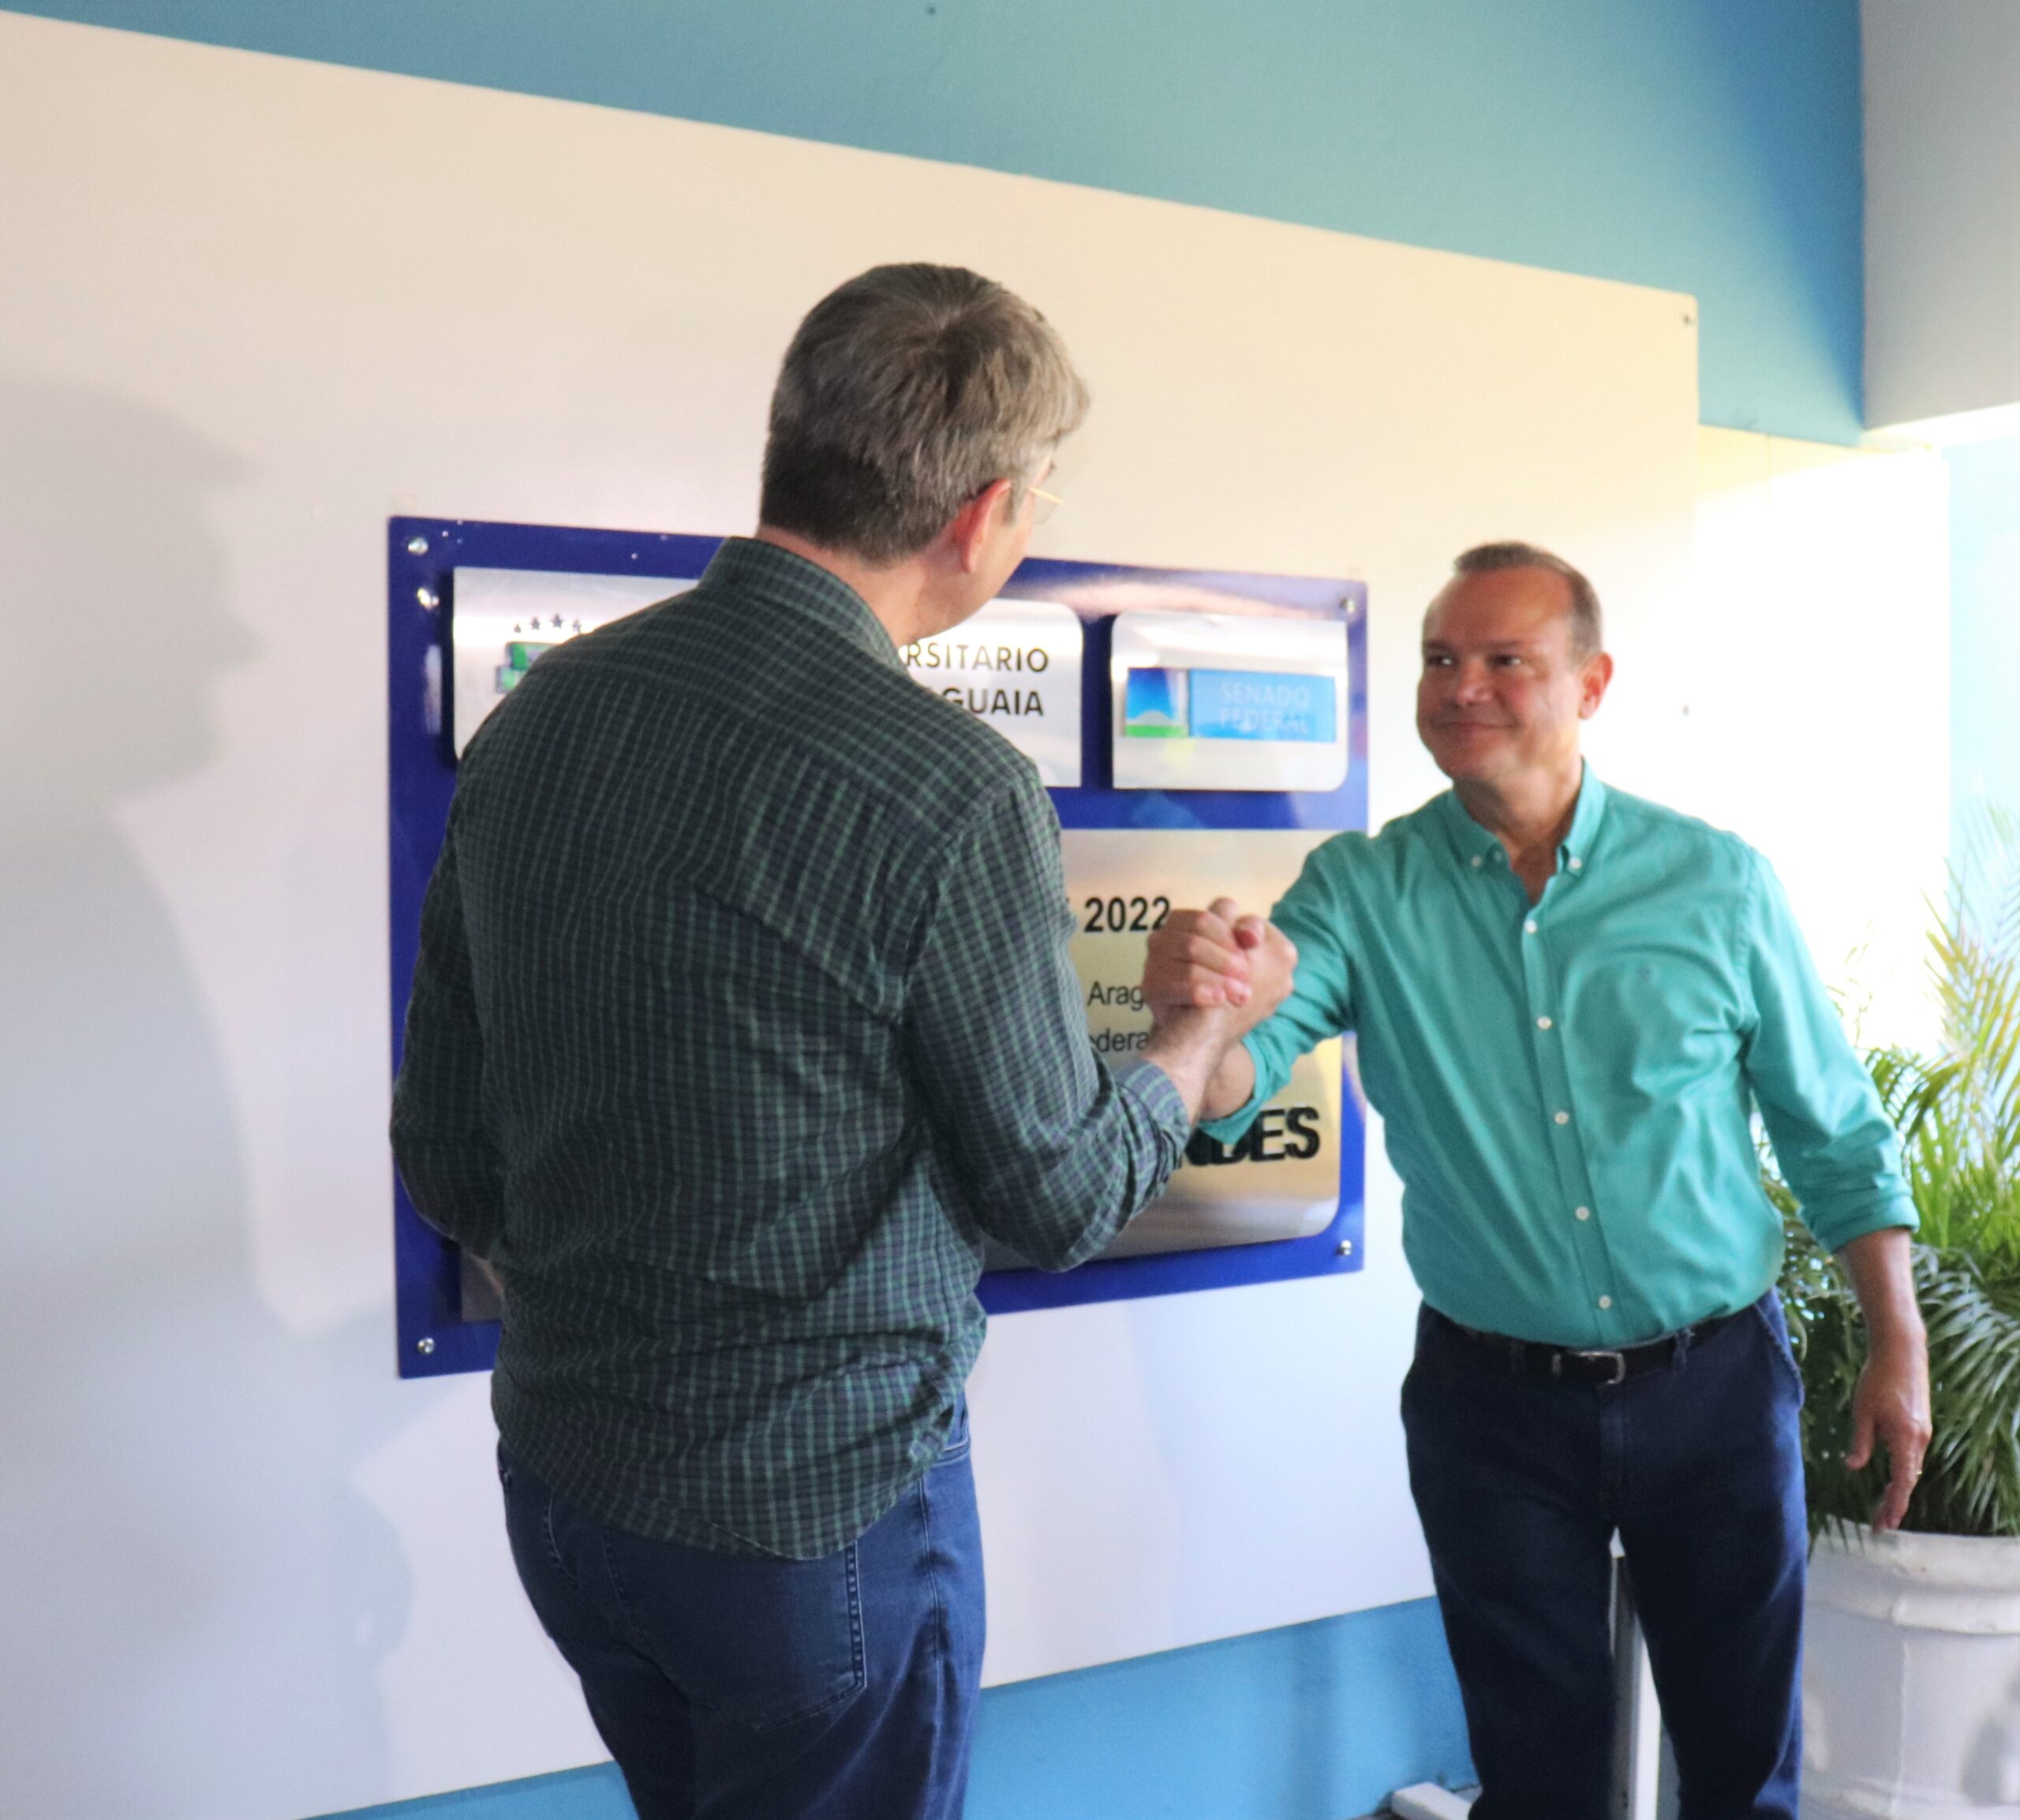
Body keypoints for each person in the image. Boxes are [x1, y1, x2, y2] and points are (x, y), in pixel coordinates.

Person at [390, 263, 1291, 1820]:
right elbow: (1058, 1198)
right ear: (982, 514)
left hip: (571, 1494)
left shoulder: (546, 710)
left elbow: (449, 1155)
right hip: (815, 1526)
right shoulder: (948, 786)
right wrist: (1192, 1028)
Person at [1143, 543, 1932, 1820]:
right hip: (1493, 1407)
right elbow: (1237, 1082)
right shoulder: (1363, 889)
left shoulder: (1716, 882)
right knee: (1534, 1778)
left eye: (1505, 659)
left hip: (1715, 1389)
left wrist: (1898, 1338)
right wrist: (1205, 1009)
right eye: (1440, 658)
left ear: (1591, 683)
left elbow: (1832, 1129)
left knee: (1743, 1769)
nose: (1462, 686)